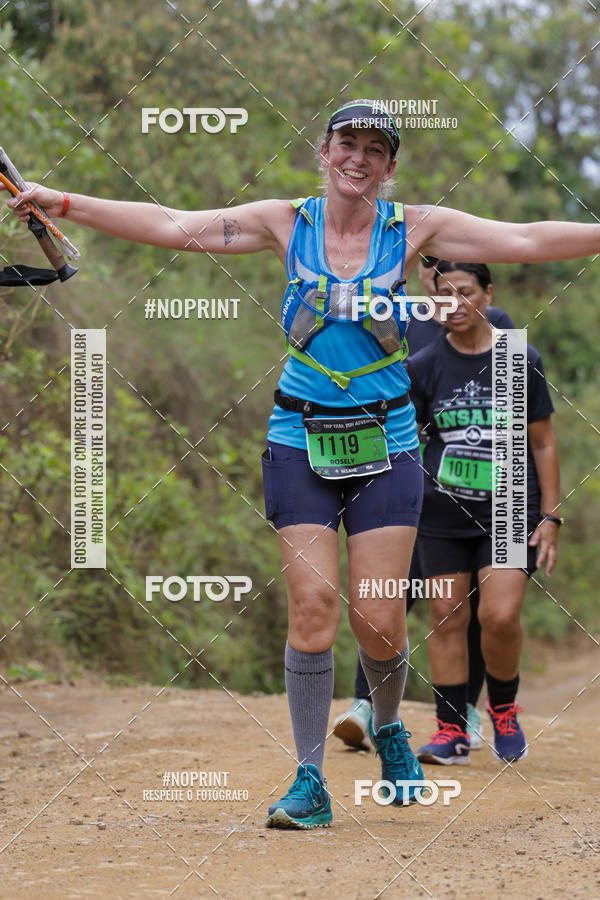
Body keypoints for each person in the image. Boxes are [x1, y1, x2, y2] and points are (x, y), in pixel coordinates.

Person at [5, 98, 594, 827]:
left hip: (387, 446)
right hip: (299, 438)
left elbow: (528, 235)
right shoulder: (285, 221)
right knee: (313, 609)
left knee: (378, 622)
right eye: (347, 143)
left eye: (375, 149)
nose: (358, 159)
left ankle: (386, 726)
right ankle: (309, 779)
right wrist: (63, 200)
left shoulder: (416, 228)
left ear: (390, 166)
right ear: (324, 150)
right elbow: (172, 223)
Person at [333, 256, 514, 753]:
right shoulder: (396, 316)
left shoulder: (495, 325)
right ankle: (365, 705)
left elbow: (514, 408)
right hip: (401, 478)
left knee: (464, 605)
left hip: (469, 494)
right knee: (390, 589)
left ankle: (466, 710)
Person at [406, 260, 560, 765]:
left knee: (499, 614)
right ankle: (450, 731)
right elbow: (409, 441)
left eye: (465, 292)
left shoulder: (519, 359)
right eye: (443, 295)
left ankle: (504, 709)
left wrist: (551, 517)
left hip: (512, 502)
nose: (454, 305)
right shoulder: (425, 365)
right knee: (446, 616)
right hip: (441, 511)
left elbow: (541, 444)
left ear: (488, 294)